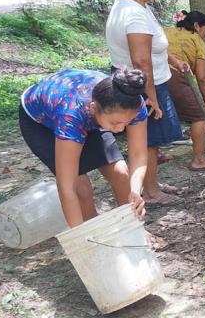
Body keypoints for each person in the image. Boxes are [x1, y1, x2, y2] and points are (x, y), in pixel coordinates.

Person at [19, 68, 148, 228]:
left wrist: (135, 190)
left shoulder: (133, 104)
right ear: (94, 108)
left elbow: (138, 155)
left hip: (88, 116)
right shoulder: (72, 116)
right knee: (81, 188)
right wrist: (80, 240)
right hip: (41, 122)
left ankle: (133, 229)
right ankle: (93, 235)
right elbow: (67, 188)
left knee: (121, 174)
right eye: (115, 123)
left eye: (127, 122)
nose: (121, 129)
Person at [105, 0, 186, 207]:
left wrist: (174, 61)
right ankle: (150, 191)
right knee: (148, 140)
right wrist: (151, 98)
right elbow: (141, 61)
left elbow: (153, 47)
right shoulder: (134, 14)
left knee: (151, 139)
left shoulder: (130, 4)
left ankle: (154, 183)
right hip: (142, 86)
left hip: (138, 81)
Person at [165, 10, 205, 172]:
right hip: (173, 78)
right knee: (199, 116)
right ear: (197, 26)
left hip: (149, 77)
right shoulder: (197, 40)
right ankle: (199, 160)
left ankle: (152, 156)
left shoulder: (166, 31)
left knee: (154, 115)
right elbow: (203, 77)